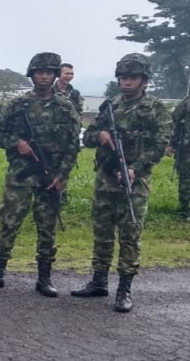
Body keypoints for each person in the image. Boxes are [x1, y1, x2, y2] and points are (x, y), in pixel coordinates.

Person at [71, 53, 172, 312]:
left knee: (130, 235)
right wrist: (101, 134)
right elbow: (88, 137)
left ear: (144, 80)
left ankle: (124, 289)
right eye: (123, 77)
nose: (127, 82)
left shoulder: (155, 109)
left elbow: (160, 145)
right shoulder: (110, 106)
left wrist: (135, 168)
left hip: (134, 182)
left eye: (133, 77)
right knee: (102, 233)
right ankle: (99, 281)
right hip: (106, 179)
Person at [0, 52, 80, 296]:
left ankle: (44, 279)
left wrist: (61, 176)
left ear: (55, 76)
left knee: (47, 228)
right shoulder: (17, 104)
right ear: (32, 75)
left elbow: (73, 144)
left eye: (48, 73)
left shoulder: (65, 106)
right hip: (21, 174)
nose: (44, 77)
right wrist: (17, 143)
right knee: (9, 222)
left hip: (51, 176)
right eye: (39, 73)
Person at [167, 91, 190, 221]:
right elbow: (172, 121)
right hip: (187, 149)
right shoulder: (187, 102)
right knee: (186, 179)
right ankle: (185, 210)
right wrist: (171, 143)